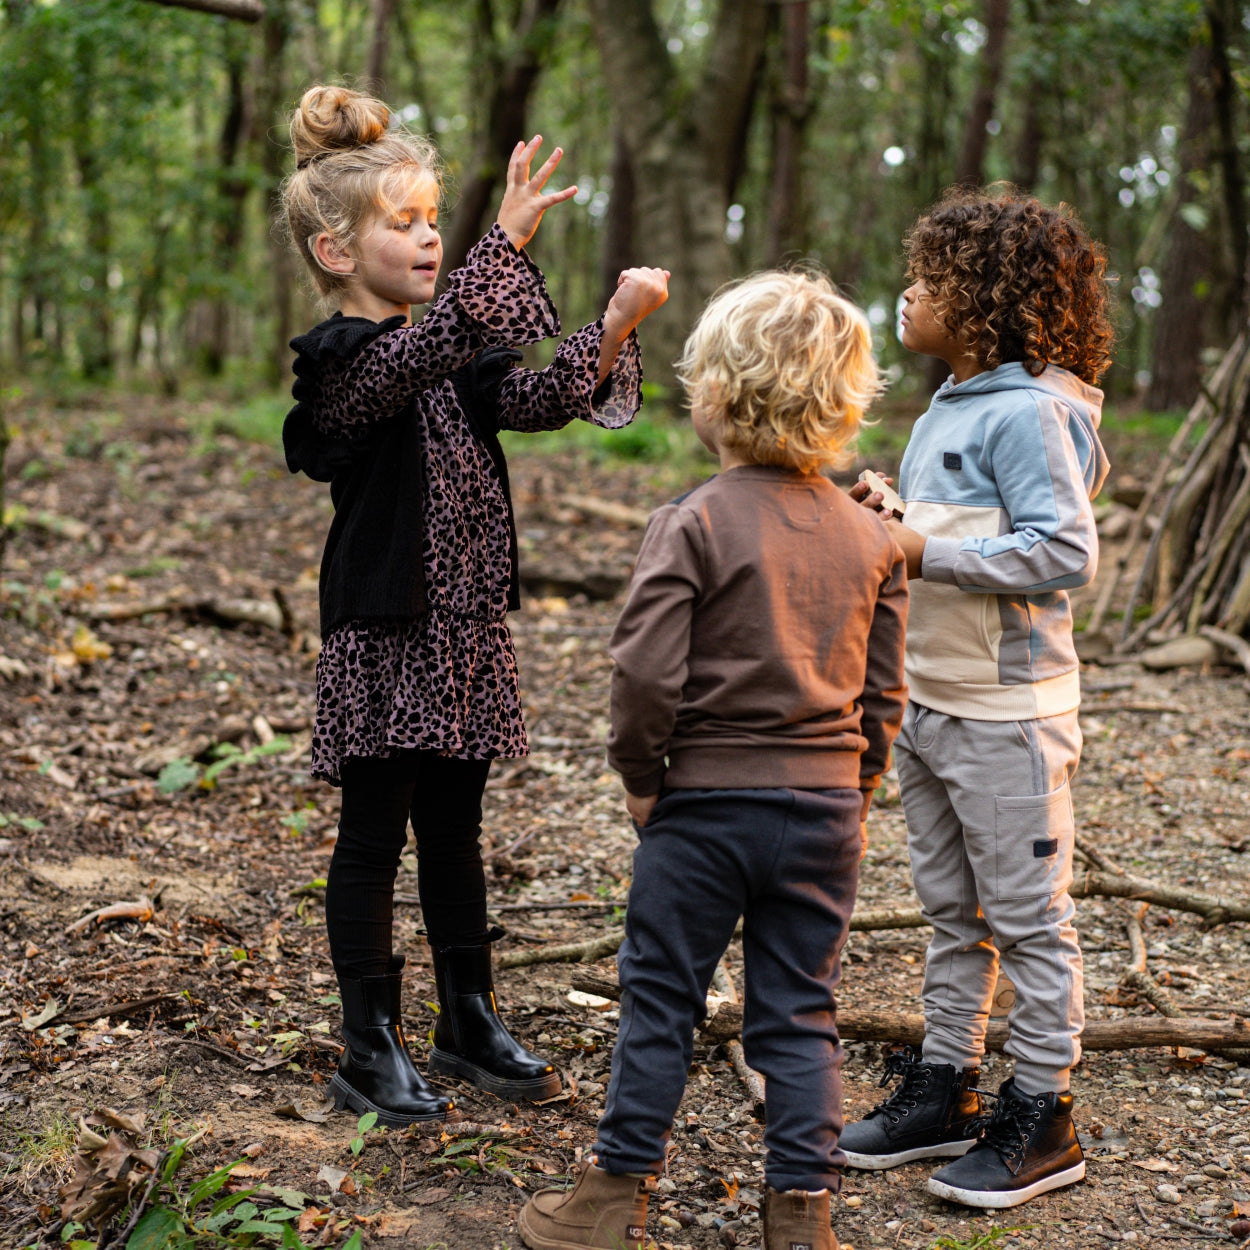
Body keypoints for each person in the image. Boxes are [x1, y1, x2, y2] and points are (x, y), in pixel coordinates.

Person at [279, 84, 669, 1127]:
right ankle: (368, 1040)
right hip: (387, 628)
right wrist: (504, 240)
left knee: (456, 825)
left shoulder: (452, 356)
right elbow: (420, 353)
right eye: (398, 224)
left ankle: (467, 1014)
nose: (426, 238)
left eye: (432, 221)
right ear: (333, 251)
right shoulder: (348, 363)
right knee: (372, 833)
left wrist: (614, 324)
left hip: (464, 629)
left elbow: (534, 395)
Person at [518, 270, 908, 1250]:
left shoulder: (689, 522)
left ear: (715, 396)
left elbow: (644, 674)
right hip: (822, 815)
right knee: (799, 1010)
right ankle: (802, 1215)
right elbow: (885, 691)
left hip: (698, 808)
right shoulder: (874, 538)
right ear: (844, 404)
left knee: (660, 996)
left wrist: (641, 777)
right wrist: (855, 789)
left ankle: (608, 1201)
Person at [845, 186, 1114, 1209]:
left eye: (926, 279)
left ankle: (1043, 1111)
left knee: (1028, 919)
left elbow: (1059, 550)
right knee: (951, 912)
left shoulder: (1033, 410)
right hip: (931, 703)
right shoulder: (949, 404)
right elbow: (957, 535)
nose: (905, 293)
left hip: (1007, 714)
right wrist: (899, 514)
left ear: (984, 299)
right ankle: (945, 1084)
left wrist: (922, 542)